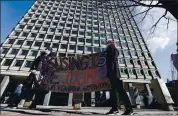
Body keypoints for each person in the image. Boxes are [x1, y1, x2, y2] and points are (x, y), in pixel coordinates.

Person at [105, 40, 133, 115]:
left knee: (121, 90)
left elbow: (113, 59)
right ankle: (114, 108)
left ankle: (129, 109)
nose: (107, 45)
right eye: (107, 44)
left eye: (109, 43)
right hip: (110, 75)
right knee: (112, 92)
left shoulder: (114, 50)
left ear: (112, 44)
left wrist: (108, 52)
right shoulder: (107, 52)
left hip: (115, 74)